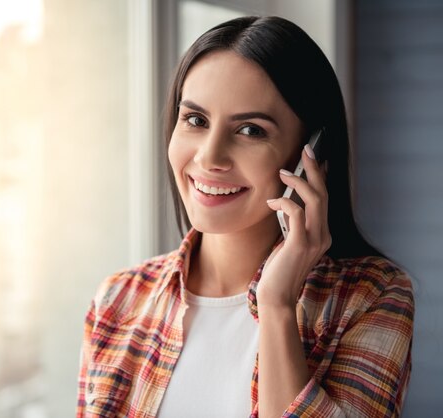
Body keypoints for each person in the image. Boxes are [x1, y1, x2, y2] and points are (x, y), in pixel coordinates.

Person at [77, 15, 414, 418]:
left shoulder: (372, 298)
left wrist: (277, 305)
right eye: (196, 120)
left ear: (312, 154)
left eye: (251, 130)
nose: (210, 157)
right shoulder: (119, 299)